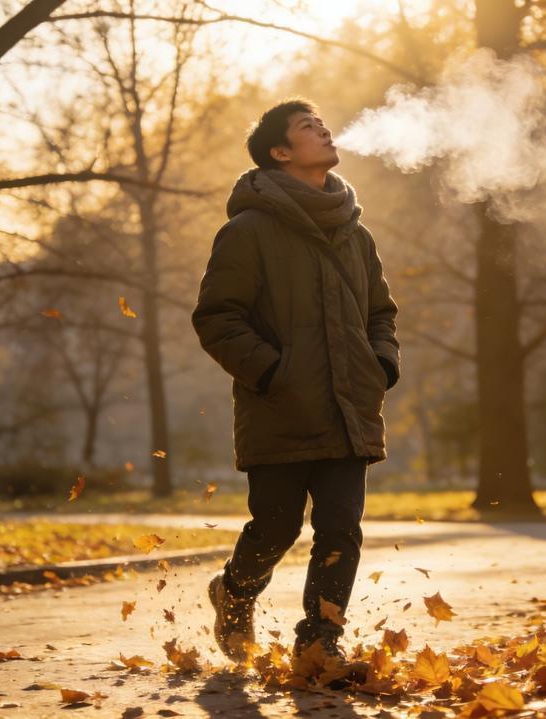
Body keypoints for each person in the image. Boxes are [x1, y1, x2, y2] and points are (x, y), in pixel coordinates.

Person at [190, 98, 400, 682]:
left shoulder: (356, 234)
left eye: (323, 123)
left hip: (350, 409)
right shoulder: (247, 231)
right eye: (309, 127)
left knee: (340, 531)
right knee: (276, 529)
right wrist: (272, 374)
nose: (325, 131)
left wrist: (381, 364)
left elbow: (381, 313)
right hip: (279, 409)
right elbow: (217, 318)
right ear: (280, 152)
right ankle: (234, 593)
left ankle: (320, 644)